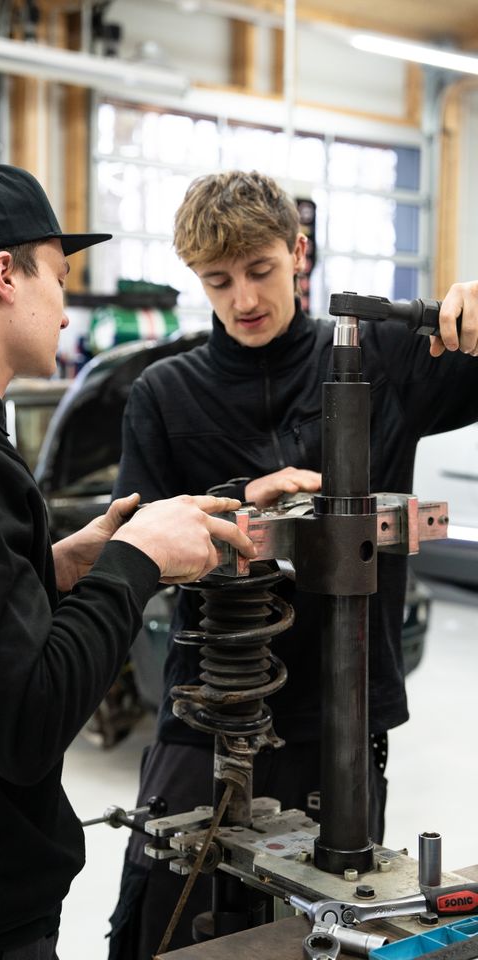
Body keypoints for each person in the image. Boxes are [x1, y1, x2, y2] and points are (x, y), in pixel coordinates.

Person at [0, 163, 257, 960]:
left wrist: (57, 564)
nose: (66, 305)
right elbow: (26, 721)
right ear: (4, 275)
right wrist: (133, 560)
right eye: (57, 278)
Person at [107, 170, 478, 960]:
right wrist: (245, 503)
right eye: (218, 280)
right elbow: (133, 549)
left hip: (344, 714)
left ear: (298, 252)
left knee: (330, 932)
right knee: (168, 922)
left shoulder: (381, 356)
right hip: (210, 712)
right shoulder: (164, 395)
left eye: (260, 270)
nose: (242, 297)